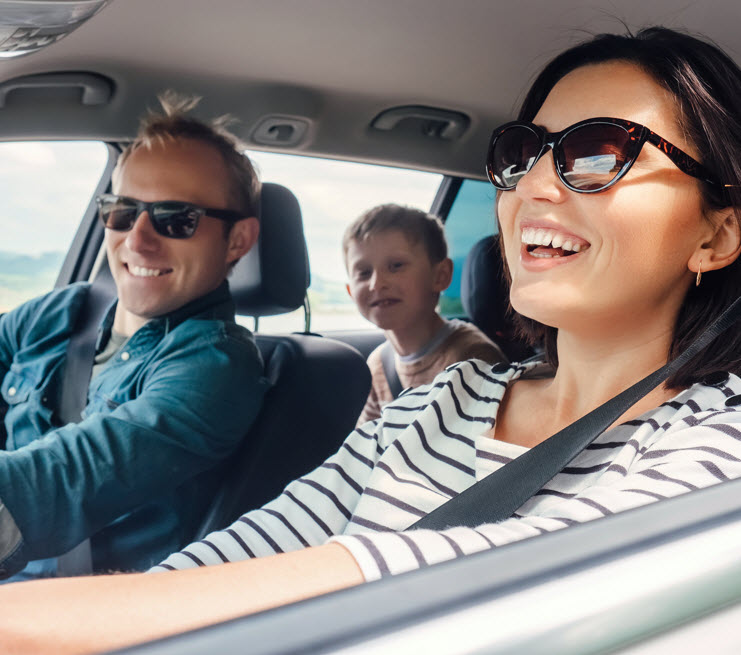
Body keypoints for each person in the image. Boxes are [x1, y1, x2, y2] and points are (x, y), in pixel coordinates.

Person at [3, 25, 741, 654]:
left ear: (716, 232)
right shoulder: (447, 397)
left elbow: (483, 572)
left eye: (597, 152)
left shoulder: (717, 433)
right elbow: (261, 544)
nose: (532, 187)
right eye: (523, 154)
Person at [0, 94, 267, 581]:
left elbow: (60, 481)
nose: (137, 240)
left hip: (70, 614)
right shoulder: (58, 313)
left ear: (238, 241)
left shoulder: (217, 367)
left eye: (176, 218)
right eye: (122, 212)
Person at [343, 203, 506, 425]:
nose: (376, 283)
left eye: (396, 265)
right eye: (363, 272)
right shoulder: (379, 364)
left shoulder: (472, 358)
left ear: (440, 276)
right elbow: (366, 445)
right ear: (350, 292)